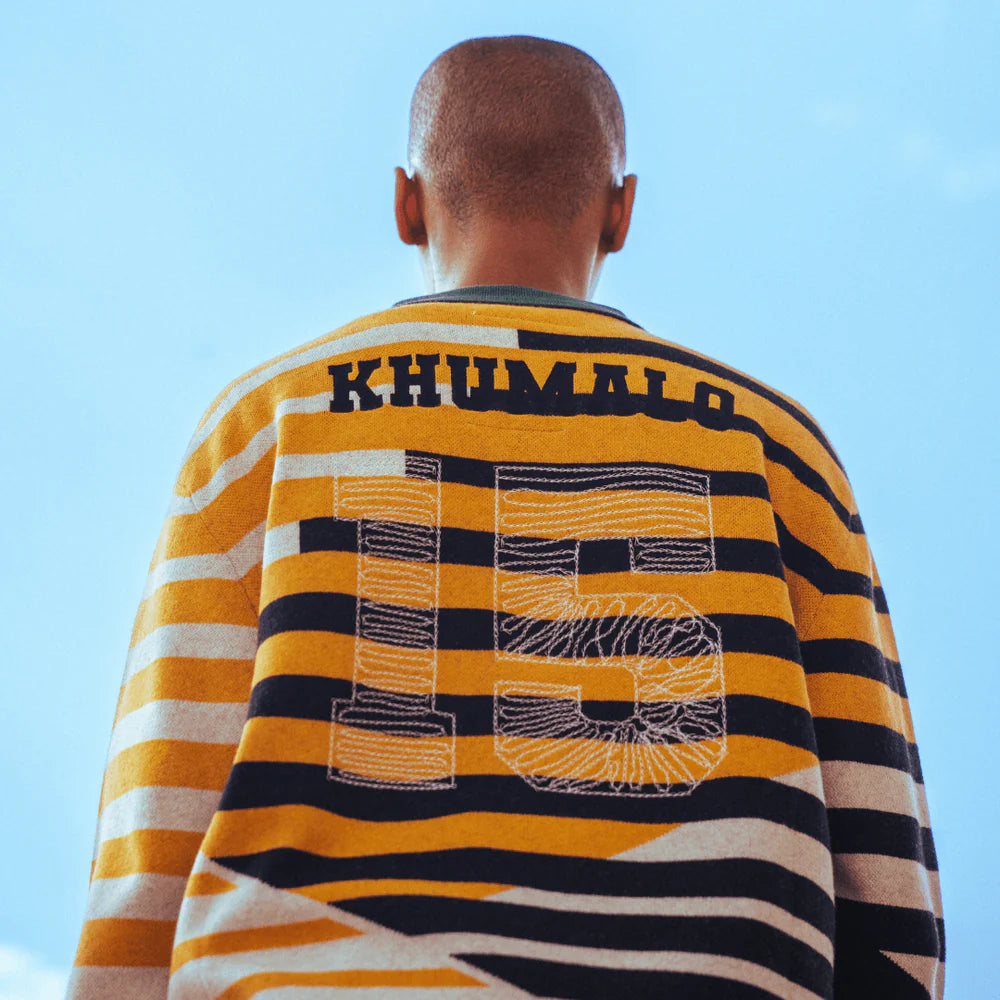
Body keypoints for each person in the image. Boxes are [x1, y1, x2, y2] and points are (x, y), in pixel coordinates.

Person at [67, 34, 944, 1000]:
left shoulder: (269, 421)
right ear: (621, 212)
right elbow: (880, 856)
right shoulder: (775, 445)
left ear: (406, 203)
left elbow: (159, 822)